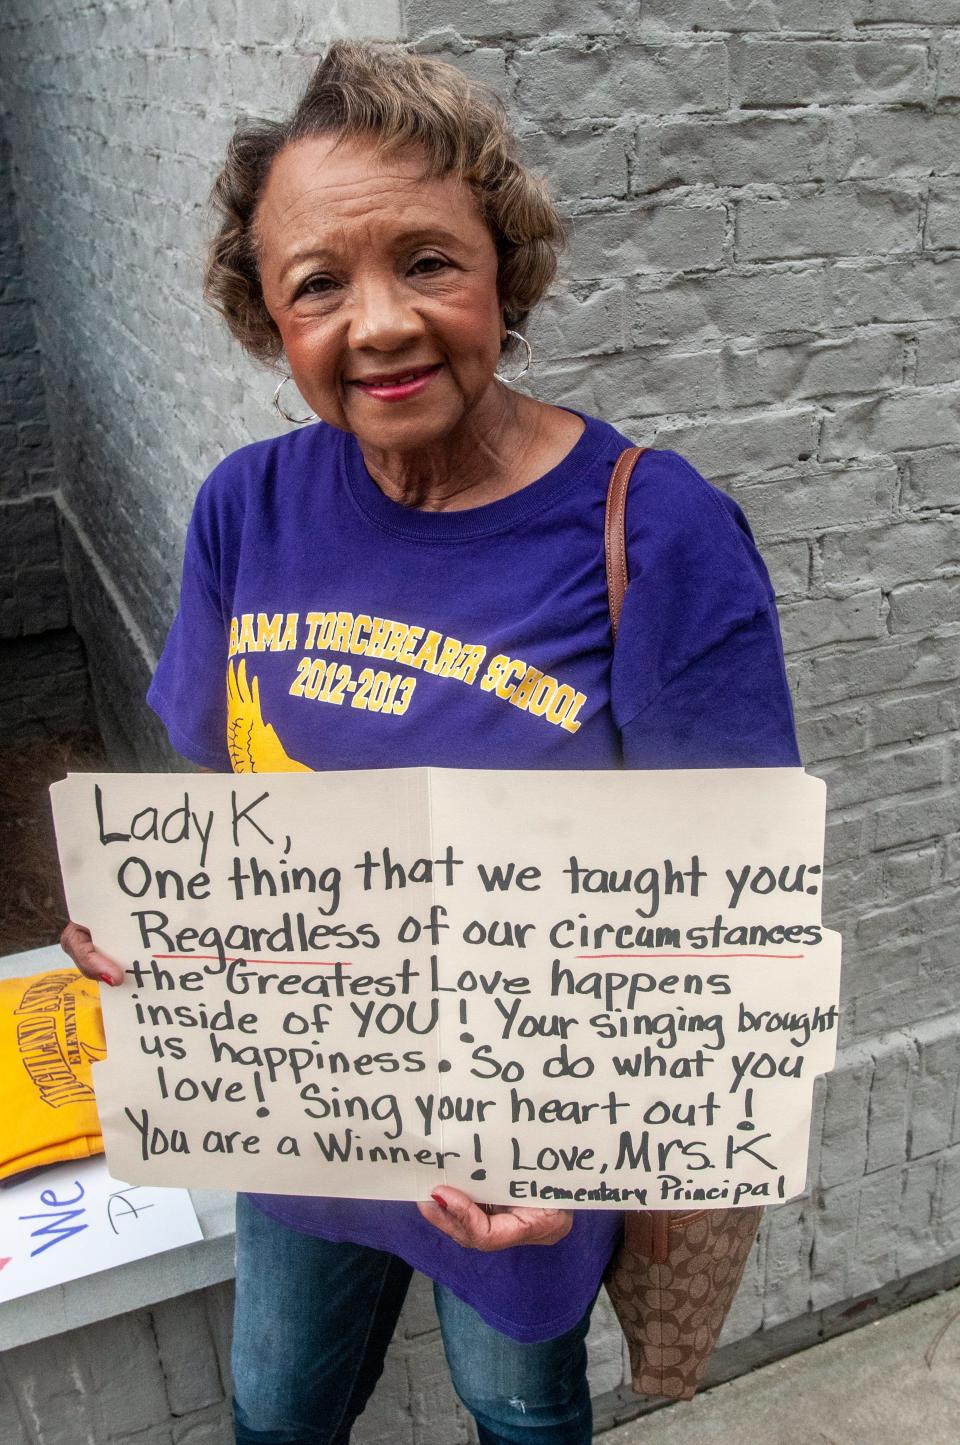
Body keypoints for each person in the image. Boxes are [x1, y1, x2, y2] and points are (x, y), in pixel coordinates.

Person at [61, 40, 801, 1445]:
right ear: (265, 315)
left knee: (518, 1414)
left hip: (527, 1153)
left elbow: (733, 921)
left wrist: (600, 1154)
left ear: (502, 271)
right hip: (300, 1118)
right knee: (277, 1411)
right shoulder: (247, 509)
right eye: (320, 283)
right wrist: (155, 919)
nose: (382, 322)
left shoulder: (654, 531)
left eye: (429, 262)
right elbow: (221, 803)